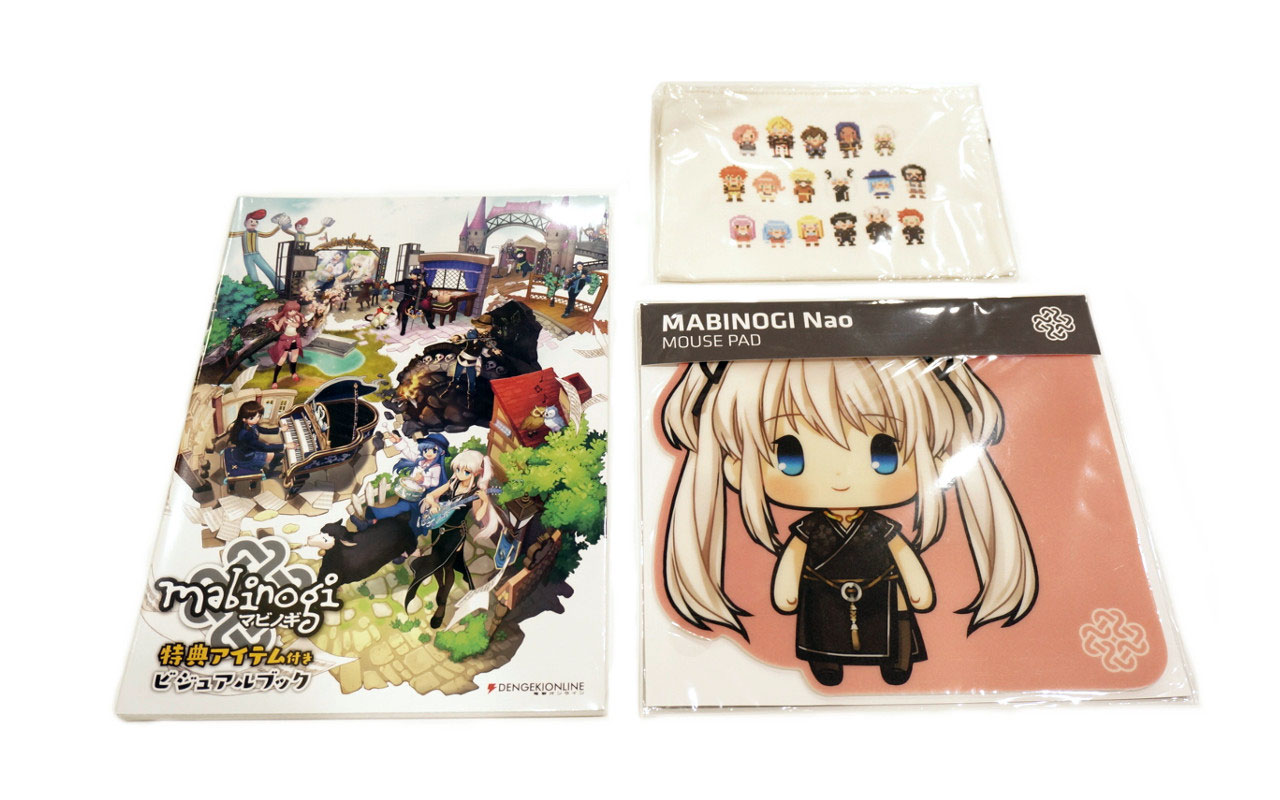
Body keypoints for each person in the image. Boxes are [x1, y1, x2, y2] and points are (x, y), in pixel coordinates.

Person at [660, 358, 1037, 687]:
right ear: (734, 465)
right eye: (790, 455)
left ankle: (894, 661)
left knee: (891, 628)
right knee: (822, 628)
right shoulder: (810, 531)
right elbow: (794, 558)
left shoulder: (881, 529)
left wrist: (918, 587)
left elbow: (903, 556)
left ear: (940, 457)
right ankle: (825, 661)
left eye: (884, 452)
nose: (840, 477)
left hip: (882, 591)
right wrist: (787, 589)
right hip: (822, 593)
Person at [224, 401, 284, 477]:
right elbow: (264, 447)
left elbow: (263, 430)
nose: (257, 419)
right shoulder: (245, 433)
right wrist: (285, 446)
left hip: (249, 449)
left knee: (275, 449)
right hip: (247, 457)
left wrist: (280, 429)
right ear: (244, 419)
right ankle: (269, 473)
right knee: (279, 455)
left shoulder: (251, 424)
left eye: (258, 416)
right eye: (252, 418)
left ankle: (274, 461)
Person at [227, 209, 280, 287]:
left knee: (268, 270)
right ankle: (257, 290)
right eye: (251, 221)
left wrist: (278, 227)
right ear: (245, 223)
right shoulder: (243, 233)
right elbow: (231, 234)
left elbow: (268, 234)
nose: (254, 223)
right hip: (247, 256)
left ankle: (281, 287)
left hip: (257, 255)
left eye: (256, 222)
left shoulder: (257, 233)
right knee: (252, 275)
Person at [267, 300, 312, 388]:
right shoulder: (283, 319)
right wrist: (275, 324)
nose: (293, 312)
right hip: (285, 340)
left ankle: (293, 373)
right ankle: (274, 381)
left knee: (294, 358)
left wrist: (290, 322)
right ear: (286, 310)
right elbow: (277, 329)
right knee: (281, 360)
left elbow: (297, 325)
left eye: (295, 310)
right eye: (291, 310)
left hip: (295, 339)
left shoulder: (297, 317)